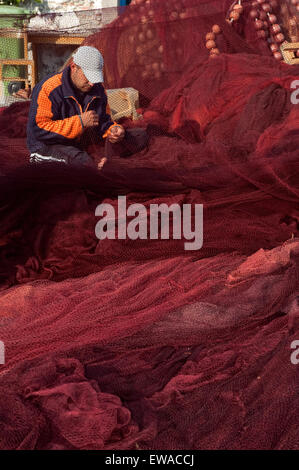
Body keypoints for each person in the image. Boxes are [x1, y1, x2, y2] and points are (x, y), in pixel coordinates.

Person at [26, 46, 149, 170]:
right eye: (88, 76)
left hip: (80, 140)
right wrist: (80, 122)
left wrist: (113, 130)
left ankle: (105, 161)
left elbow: (104, 120)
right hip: (48, 144)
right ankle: (98, 165)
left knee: (140, 136)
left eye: (94, 77)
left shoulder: (98, 89)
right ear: (74, 67)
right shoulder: (48, 88)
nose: (91, 83)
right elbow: (39, 129)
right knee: (85, 164)